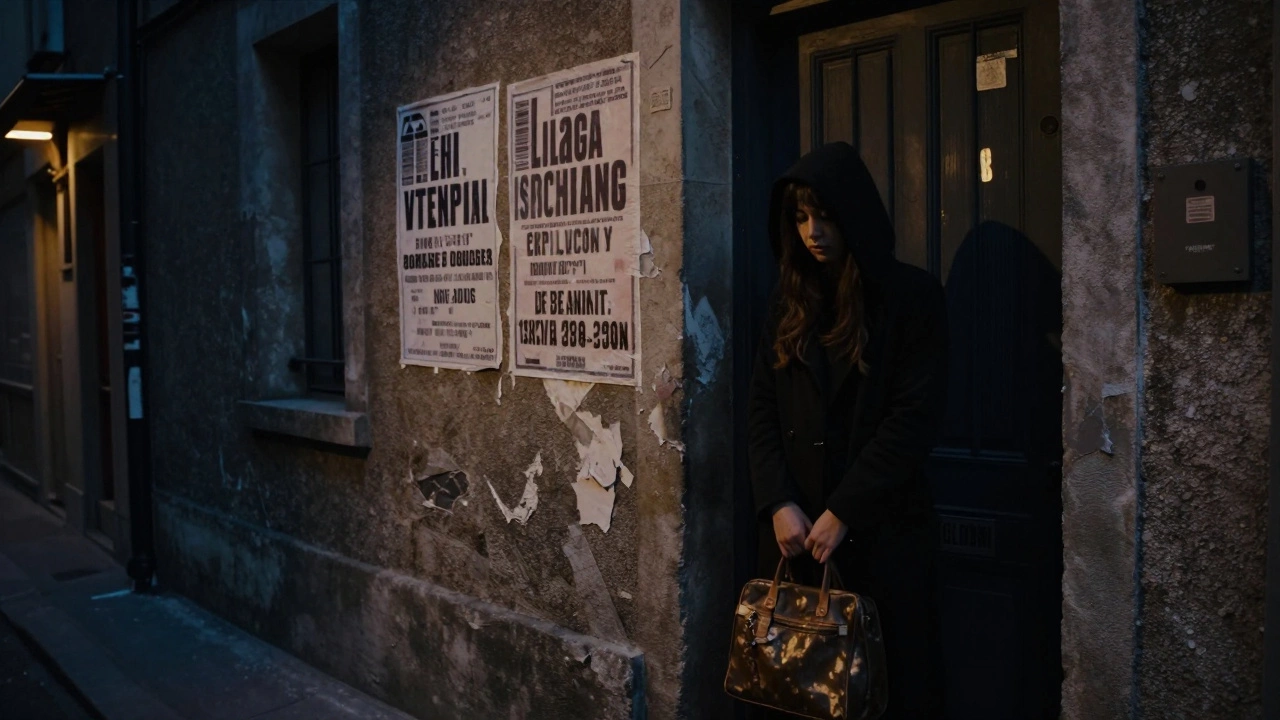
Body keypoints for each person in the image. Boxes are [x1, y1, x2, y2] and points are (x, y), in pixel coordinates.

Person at [747, 141, 948, 719]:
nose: (813, 232)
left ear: (853, 214)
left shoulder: (911, 298)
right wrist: (778, 501)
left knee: (881, 693)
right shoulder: (789, 301)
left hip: (880, 535)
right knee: (796, 689)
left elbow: (914, 418)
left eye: (826, 217)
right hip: (797, 536)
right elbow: (761, 408)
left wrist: (846, 509)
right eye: (801, 218)